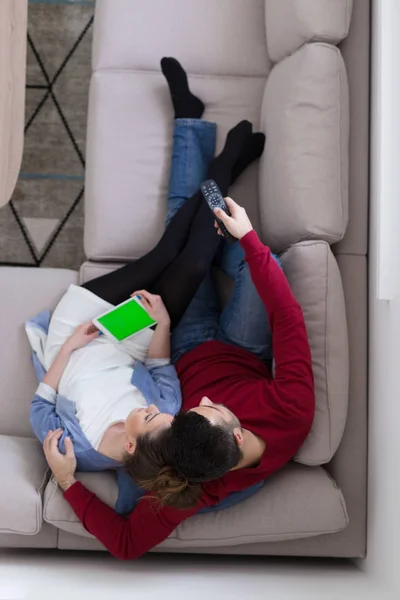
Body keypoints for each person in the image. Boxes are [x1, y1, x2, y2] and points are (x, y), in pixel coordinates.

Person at [42, 59, 315, 560]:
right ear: (239, 431)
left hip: (179, 342)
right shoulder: (290, 415)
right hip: (243, 346)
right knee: (262, 266)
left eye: (193, 408)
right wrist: (248, 239)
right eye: (209, 409)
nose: (205, 398)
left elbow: (125, 544)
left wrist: (67, 482)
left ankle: (194, 128)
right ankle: (225, 200)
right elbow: (288, 318)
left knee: (183, 243)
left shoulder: (186, 473)